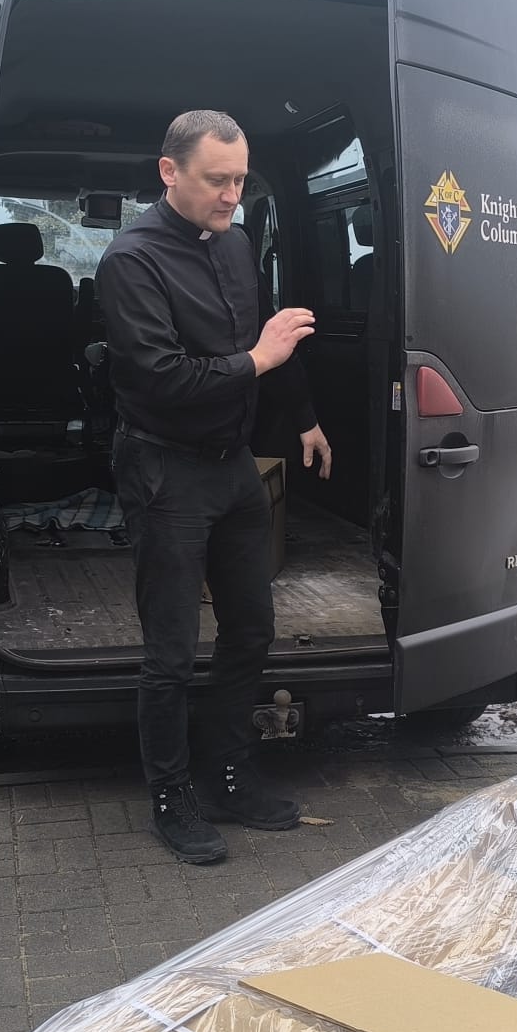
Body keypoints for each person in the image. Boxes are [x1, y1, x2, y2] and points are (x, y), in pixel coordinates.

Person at [96, 110, 333, 863]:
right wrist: (259, 362)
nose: (233, 195)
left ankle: (229, 775)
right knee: (171, 650)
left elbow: (268, 337)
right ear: (170, 172)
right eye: (217, 180)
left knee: (251, 630)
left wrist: (303, 418)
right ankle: (171, 796)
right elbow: (161, 378)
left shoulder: (234, 243)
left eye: (240, 180)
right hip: (164, 468)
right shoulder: (131, 260)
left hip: (233, 465)